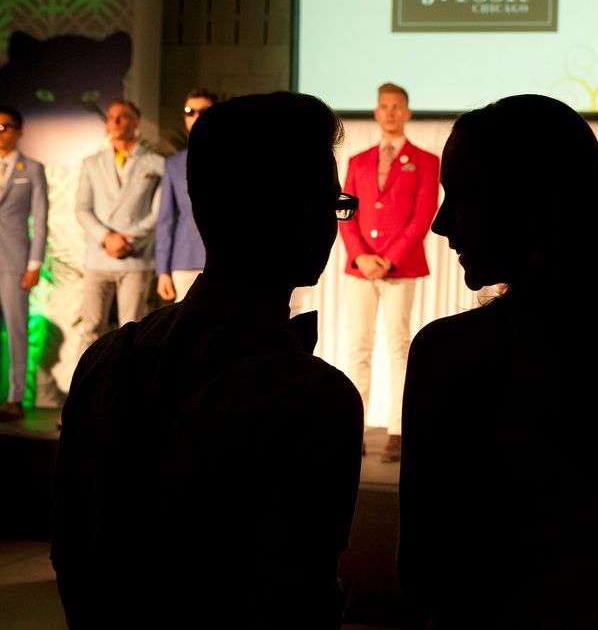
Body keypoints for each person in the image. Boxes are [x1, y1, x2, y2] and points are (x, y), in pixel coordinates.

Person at [51, 92, 364, 628]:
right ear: (305, 217)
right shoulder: (314, 396)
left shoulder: (105, 359)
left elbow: (73, 553)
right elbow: (299, 597)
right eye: (332, 204)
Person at [398, 95, 598, 628]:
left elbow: (425, 569)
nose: (442, 223)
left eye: (463, 194)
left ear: (530, 202)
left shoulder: (453, 352)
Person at [339, 82, 439, 462]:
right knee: (358, 348)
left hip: (401, 268)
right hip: (361, 269)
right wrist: (361, 256)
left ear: (407, 112)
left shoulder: (426, 161)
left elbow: (423, 214)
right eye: (385, 105)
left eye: (397, 105)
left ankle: (398, 430)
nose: (391, 112)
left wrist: (390, 257)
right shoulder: (359, 161)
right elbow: (345, 213)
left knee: (399, 346)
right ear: (376, 112)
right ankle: (355, 428)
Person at [75, 99, 163, 357]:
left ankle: (127, 383)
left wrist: (129, 239)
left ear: (136, 122)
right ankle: (83, 382)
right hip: (99, 256)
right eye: (111, 116)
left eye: (122, 116)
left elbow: (160, 211)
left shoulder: (155, 163)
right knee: (90, 328)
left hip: (135, 255)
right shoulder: (92, 163)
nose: (114, 121)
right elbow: (82, 208)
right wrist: (106, 237)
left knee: (132, 330)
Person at [0, 105, 47, 422]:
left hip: (15, 261)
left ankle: (15, 397)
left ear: (18, 130)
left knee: (17, 329)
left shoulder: (31, 168)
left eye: (4, 127)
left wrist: (35, 263)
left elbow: (40, 220)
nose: (0, 133)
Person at [155, 88, 217, 302]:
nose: (196, 116)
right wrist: (162, 271)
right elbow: (166, 220)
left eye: (204, 111)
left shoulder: (234, 159)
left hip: (224, 259)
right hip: (185, 258)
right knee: (187, 321)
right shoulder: (173, 164)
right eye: (190, 111)